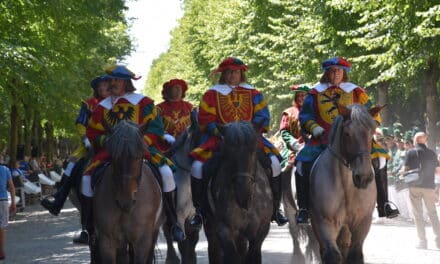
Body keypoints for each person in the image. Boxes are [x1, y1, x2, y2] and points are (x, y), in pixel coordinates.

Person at [83, 65, 186, 242]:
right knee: (86, 178)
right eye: (110, 80)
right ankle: (89, 227)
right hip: (111, 152)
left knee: (167, 173)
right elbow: (93, 132)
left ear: (125, 82)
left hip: (142, 150)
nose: (111, 83)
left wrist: (141, 143)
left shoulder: (144, 102)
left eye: (115, 80)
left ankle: (173, 222)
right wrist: (107, 142)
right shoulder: (102, 107)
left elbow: (155, 127)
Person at [295, 57, 399, 224]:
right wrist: (314, 128)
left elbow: (373, 113)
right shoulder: (314, 93)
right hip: (323, 139)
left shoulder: (356, 91)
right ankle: (304, 209)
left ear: (344, 72)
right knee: (301, 165)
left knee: (380, 159)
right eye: (332, 70)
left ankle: (384, 204)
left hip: (356, 139)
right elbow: (305, 116)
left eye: (339, 70)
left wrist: (369, 127)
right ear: (326, 72)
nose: (336, 73)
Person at [189, 57, 288, 226]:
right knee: (198, 168)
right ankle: (200, 211)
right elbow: (205, 119)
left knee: (274, 164)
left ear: (241, 73)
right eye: (228, 72)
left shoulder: (254, 93)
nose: (232, 75)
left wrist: (251, 132)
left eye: (235, 72)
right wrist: (221, 133)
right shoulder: (212, 94)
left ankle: (276, 209)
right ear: (223, 74)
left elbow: (263, 116)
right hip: (220, 140)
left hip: (250, 140)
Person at [40, 75, 110, 244]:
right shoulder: (88, 104)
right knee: (72, 165)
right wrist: (85, 139)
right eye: (100, 86)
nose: (102, 88)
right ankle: (59, 199)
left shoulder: (119, 103)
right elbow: (80, 123)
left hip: (116, 144)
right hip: (90, 145)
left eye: (105, 85)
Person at [402, 132, 440, 249]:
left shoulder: (410, 152)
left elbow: (404, 170)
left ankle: (422, 241)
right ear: (425, 140)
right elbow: (438, 171)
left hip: (415, 186)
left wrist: (401, 173)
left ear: (415, 140)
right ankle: (439, 240)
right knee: (432, 213)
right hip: (429, 187)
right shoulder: (432, 153)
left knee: (418, 214)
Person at [156, 79, 194, 152]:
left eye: (180, 88)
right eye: (176, 88)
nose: (179, 90)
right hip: (164, 147)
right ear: (168, 91)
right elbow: (155, 126)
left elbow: (197, 125)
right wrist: (165, 135)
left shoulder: (190, 107)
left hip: (186, 146)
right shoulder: (159, 108)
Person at [278, 85, 310, 172]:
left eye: (303, 95)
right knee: (282, 168)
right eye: (298, 96)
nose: (300, 98)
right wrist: (294, 143)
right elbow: (284, 131)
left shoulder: (314, 111)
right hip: (294, 147)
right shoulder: (288, 113)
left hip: (313, 145)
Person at [0, 163, 15, 260]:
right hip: (3, 200)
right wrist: (13, 202)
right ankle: (1, 251)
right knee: (1, 227)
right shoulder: (5, 169)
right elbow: (12, 187)